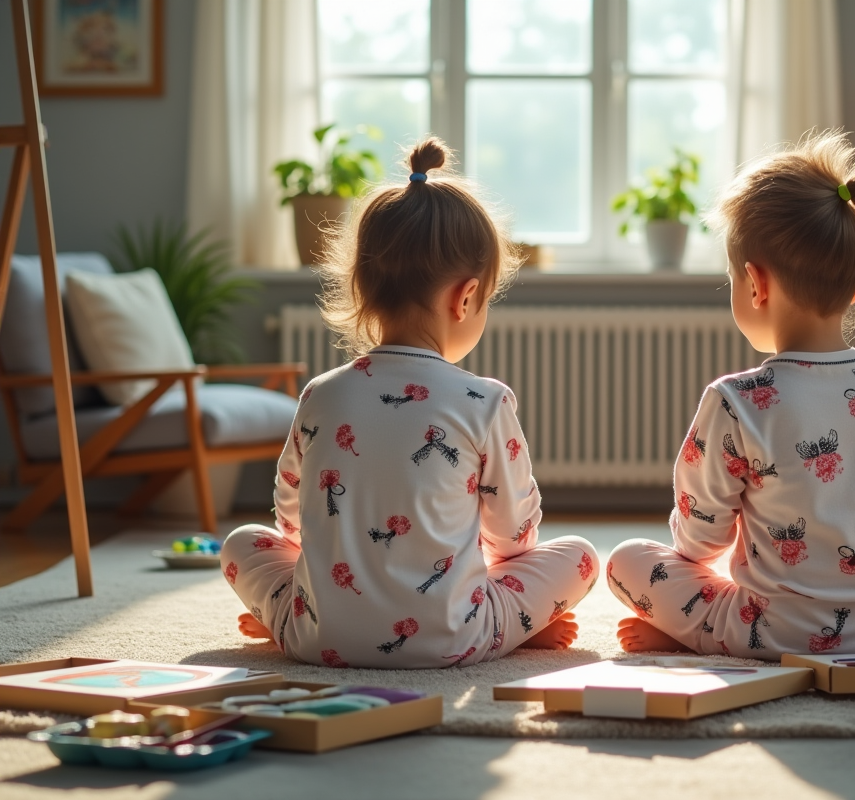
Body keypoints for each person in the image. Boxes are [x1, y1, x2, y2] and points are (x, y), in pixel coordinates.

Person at [220, 138, 598, 668]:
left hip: (316, 638)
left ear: (364, 288)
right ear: (465, 298)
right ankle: (514, 630)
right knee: (580, 557)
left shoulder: (319, 394)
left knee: (241, 542)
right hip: (453, 640)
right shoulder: (484, 401)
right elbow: (514, 538)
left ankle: (282, 618)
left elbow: (290, 524)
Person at [607, 131, 855, 659]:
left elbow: (700, 542)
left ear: (754, 284)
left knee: (626, 560)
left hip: (767, 635)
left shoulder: (735, 400)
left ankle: (695, 635)